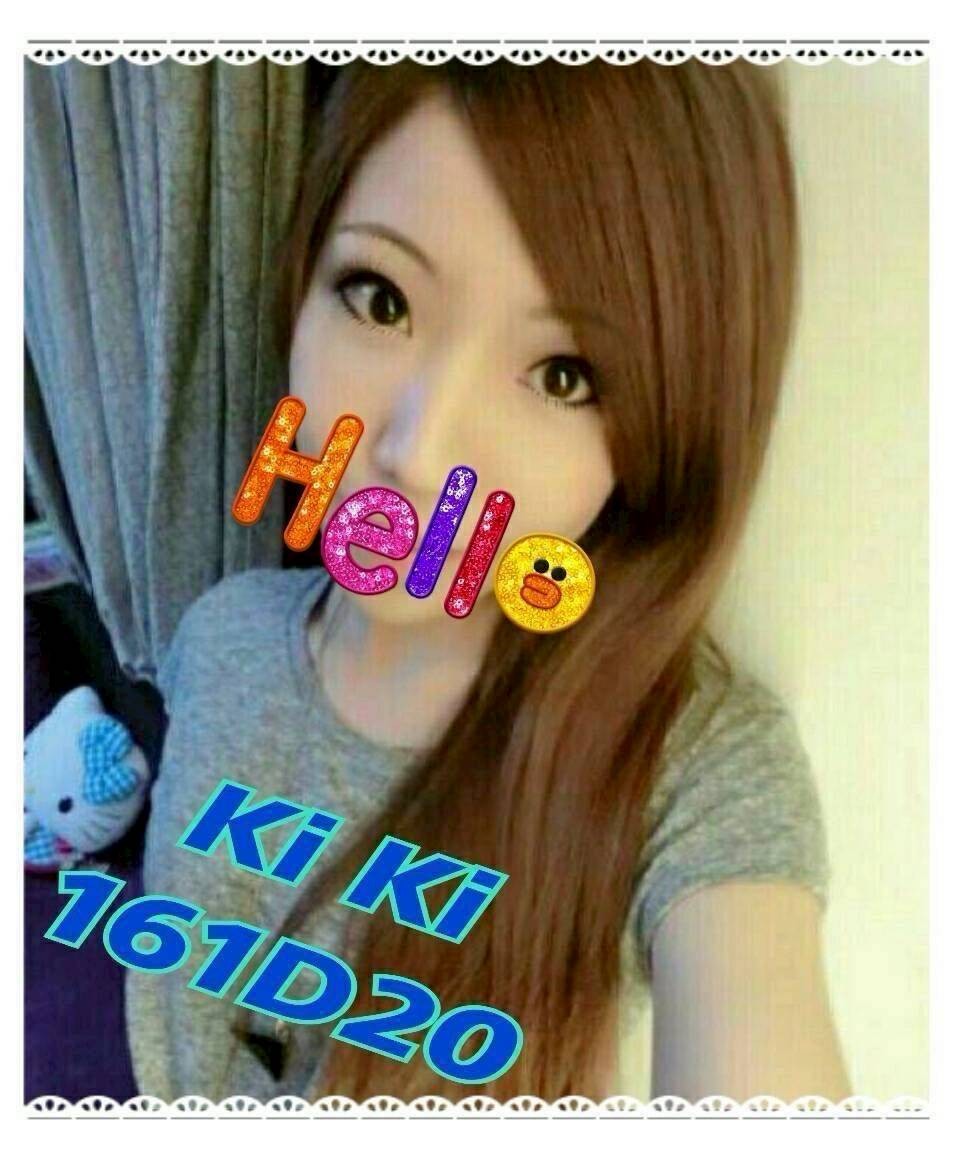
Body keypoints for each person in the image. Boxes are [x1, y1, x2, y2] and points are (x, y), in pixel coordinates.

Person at [127, 58, 852, 1104]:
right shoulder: (217, 635)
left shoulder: (683, 765)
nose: (416, 453)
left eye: (561, 376)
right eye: (379, 299)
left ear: (657, 443)